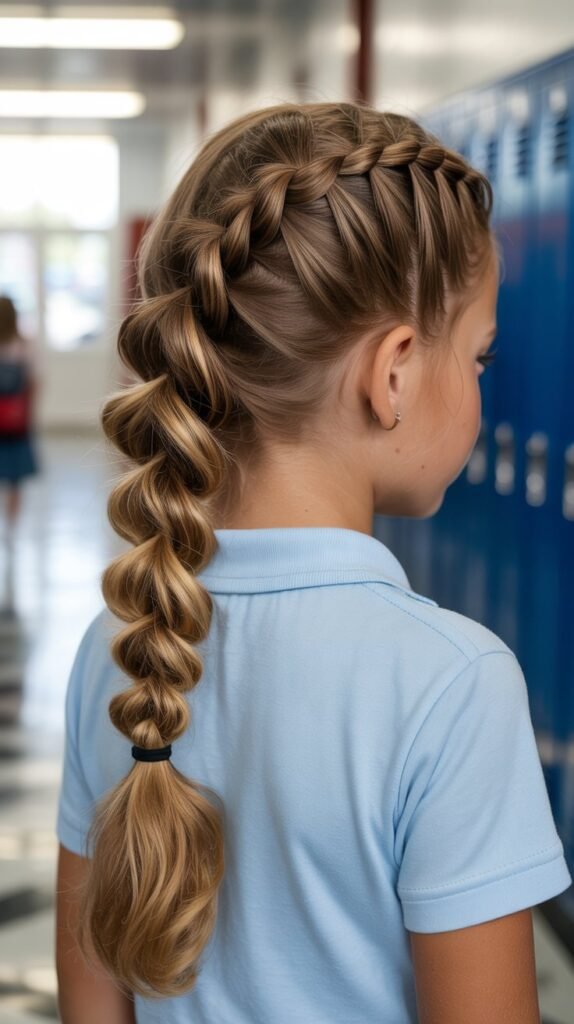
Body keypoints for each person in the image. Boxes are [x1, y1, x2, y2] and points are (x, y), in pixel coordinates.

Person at [54, 102, 572, 1024]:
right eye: (481, 357)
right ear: (396, 373)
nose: (486, 387)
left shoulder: (121, 646)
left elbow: (95, 1003)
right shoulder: (452, 684)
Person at [0, 295, 40, 610]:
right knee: (14, 479)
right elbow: (34, 383)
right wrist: (29, 413)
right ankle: (10, 528)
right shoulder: (23, 345)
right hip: (16, 420)